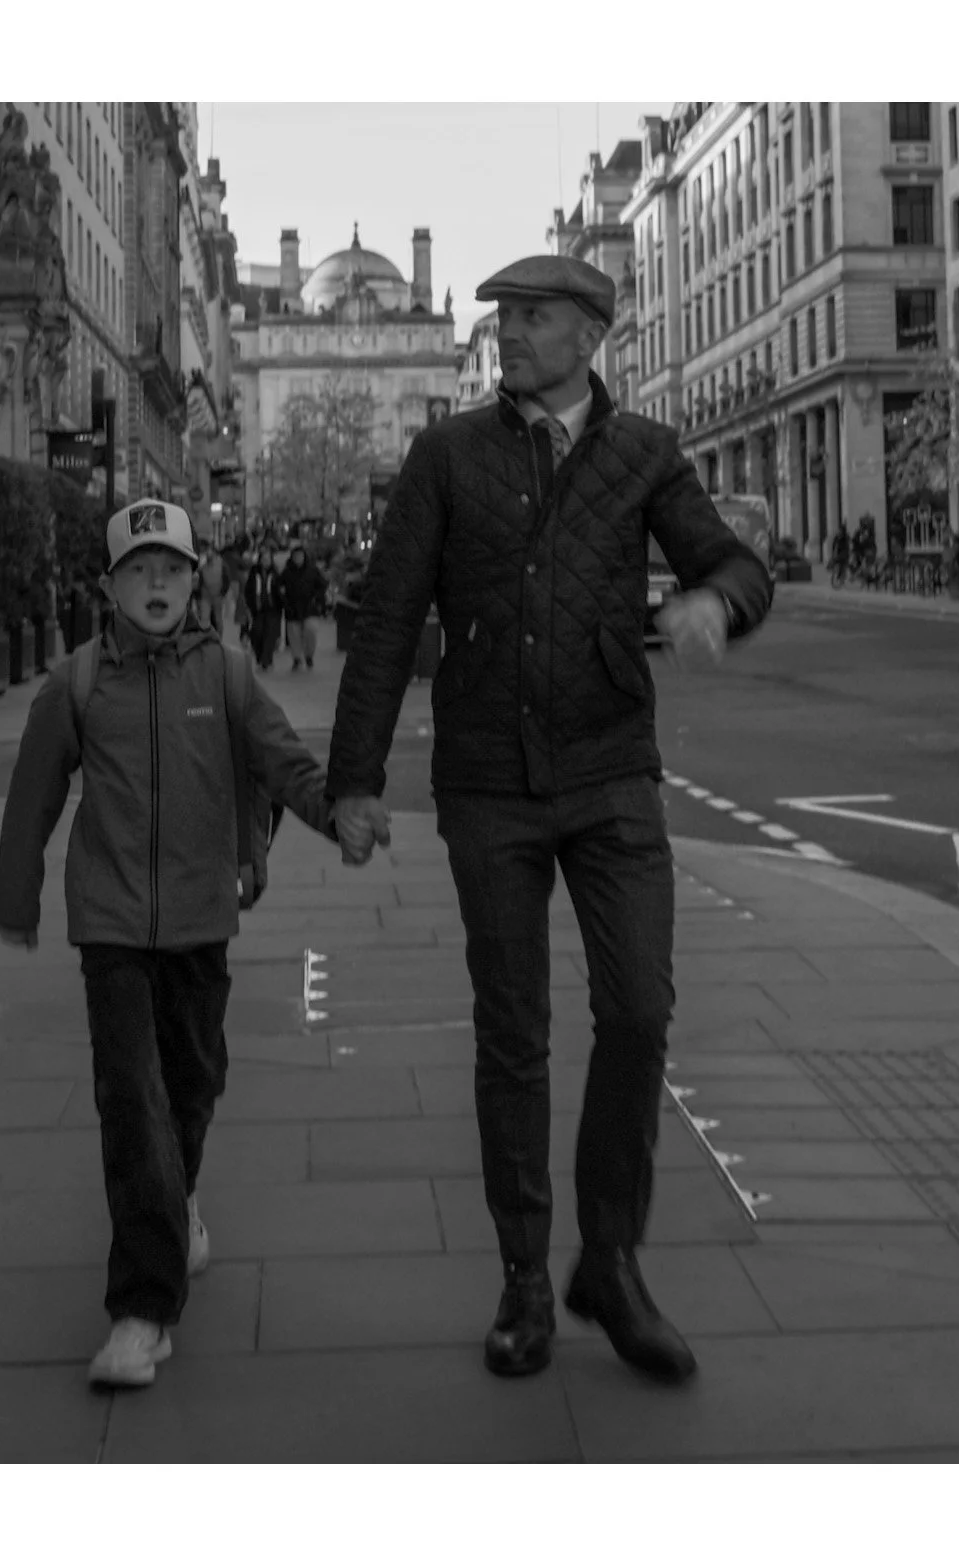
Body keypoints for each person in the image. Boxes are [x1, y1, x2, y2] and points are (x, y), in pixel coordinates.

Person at [326, 254, 774, 1385]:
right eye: (504, 317)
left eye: (531, 316)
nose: (510, 333)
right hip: (488, 781)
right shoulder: (446, 456)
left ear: (588, 336)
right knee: (512, 1032)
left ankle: (609, 1261)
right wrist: (353, 781)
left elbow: (732, 560)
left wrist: (717, 602)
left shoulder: (642, 453)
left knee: (638, 1009)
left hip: (612, 772)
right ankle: (525, 1275)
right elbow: (388, 619)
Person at [0, 499, 341, 1389]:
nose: (157, 585)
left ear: (197, 582)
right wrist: (17, 897)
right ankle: (141, 1311)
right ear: (109, 587)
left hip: (198, 918)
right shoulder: (75, 683)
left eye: (172, 570)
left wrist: (338, 814)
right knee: (130, 1099)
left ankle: (178, 1195)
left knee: (191, 1080)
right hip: (110, 924)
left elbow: (282, 762)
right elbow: (33, 796)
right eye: (139, 570)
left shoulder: (226, 675)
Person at [278, 543, 327, 671]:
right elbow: (279, 586)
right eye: (295, 556)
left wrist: (317, 598)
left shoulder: (312, 570)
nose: (298, 558)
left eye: (300, 555)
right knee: (294, 634)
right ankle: (297, 658)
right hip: (292, 608)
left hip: (310, 607)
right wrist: (284, 601)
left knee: (310, 630)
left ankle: (309, 655)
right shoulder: (287, 572)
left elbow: (322, 585)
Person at [241, 545, 284, 671]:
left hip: (272, 609)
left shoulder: (275, 574)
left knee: (270, 635)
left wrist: (282, 603)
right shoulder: (254, 574)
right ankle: (260, 657)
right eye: (263, 559)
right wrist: (249, 605)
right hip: (257, 610)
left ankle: (267, 660)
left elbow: (280, 591)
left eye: (268, 559)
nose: (266, 562)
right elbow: (248, 590)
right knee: (257, 633)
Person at [194, 532, 228, 643]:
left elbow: (226, 578)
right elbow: (198, 580)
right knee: (205, 620)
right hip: (206, 596)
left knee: (217, 620)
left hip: (217, 595)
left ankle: (218, 640)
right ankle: (206, 641)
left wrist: (223, 593)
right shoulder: (202, 564)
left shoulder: (221, 563)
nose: (208, 553)